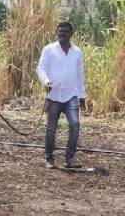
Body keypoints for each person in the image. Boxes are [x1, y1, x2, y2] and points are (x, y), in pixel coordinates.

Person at [37, 21, 86, 170]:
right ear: (57, 33)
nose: (62, 34)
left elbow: (79, 74)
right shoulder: (49, 50)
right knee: (51, 128)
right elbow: (41, 68)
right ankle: (49, 159)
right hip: (54, 95)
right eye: (60, 31)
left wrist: (81, 95)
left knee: (75, 125)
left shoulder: (77, 52)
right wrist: (45, 81)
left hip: (71, 95)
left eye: (65, 32)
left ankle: (69, 159)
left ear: (71, 33)